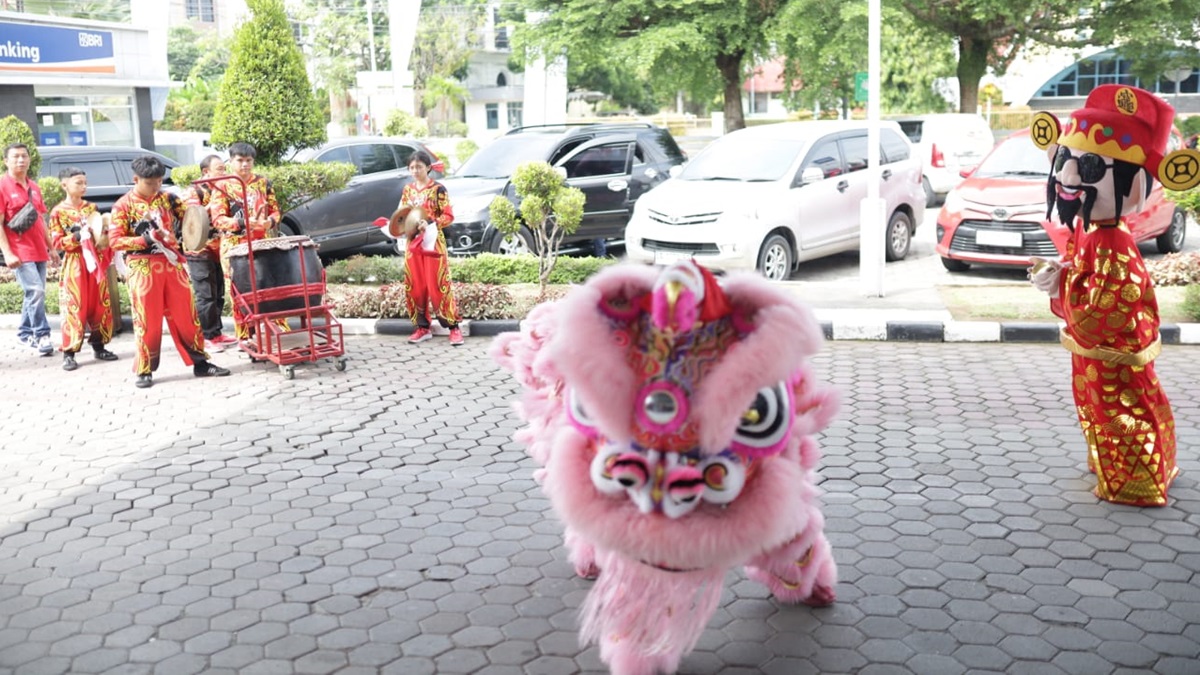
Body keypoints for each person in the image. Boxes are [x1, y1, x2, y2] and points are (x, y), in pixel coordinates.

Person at [1027, 84, 1200, 507]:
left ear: (1135, 182)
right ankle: (1113, 466)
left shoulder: (1115, 244)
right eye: (1065, 161)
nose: (1068, 178)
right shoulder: (1093, 231)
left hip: (1112, 350)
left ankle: (1137, 481)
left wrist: (1063, 285)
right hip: (1096, 352)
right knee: (1099, 412)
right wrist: (1059, 276)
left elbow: (1102, 313)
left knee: (1124, 414)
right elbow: (1083, 280)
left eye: (1088, 168)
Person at [108, 155, 231, 388]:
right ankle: (145, 369)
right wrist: (144, 239)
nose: (155, 187)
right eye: (150, 182)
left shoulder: (168, 198)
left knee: (187, 315)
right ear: (136, 179)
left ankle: (201, 363)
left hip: (171, 264)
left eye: (158, 181)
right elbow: (115, 241)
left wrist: (202, 226)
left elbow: (193, 217)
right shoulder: (123, 205)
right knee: (147, 320)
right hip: (142, 267)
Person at [206, 142, 281, 342]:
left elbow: (275, 210)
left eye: (248, 161)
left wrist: (269, 222)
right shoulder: (222, 185)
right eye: (240, 160)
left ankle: (276, 331)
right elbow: (218, 219)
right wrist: (243, 221)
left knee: (268, 284)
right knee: (239, 290)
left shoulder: (263, 183)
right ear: (231, 161)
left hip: (261, 242)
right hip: (234, 246)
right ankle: (246, 336)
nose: (245, 165)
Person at [47, 167, 118, 370]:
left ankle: (99, 345)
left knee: (100, 305)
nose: (84, 186)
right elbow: (57, 242)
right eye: (78, 183)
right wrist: (77, 237)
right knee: (74, 306)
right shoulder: (58, 212)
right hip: (75, 264)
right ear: (64, 185)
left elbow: (99, 236)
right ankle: (69, 352)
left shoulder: (91, 207)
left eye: (85, 182)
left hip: (94, 262)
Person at [399, 150, 463, 346]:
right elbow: (402, 214)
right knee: (415, 286)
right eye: (412, 167)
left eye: (419, 167)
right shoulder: (408, 190)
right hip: (413, 244)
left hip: (433, 242)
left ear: (428, 168)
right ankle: (422, 328)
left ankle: (453, 328)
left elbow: (448, 216)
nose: (415, 171)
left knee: (438, 285)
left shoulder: (438, 189)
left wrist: (431, 222)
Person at [0, 143, 54, 357]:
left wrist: (52, 249)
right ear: (6, 161)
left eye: (24, 156)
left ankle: (24, 333)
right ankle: (42, 334)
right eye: (15, 157)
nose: (21, 160)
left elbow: (40, 219)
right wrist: (7, 253)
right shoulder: (2, 186)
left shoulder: (34, 186)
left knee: (34, 293)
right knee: (35, 291)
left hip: (39, 248)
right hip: (19, 250)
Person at [184, 154, 236, 352]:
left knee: (219, 293)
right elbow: (192, 218)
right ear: (206, 172)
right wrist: (212, 206)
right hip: (199, 248)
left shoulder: (223, 189)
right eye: (220, 169)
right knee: (205, 294)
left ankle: (216, 333)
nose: (224, 172)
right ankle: (205, 337)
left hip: (219, 247)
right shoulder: (194, 191)